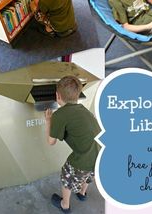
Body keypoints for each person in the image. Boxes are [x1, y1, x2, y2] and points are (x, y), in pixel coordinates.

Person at [45, 76, 101, 213]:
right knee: (89, 173)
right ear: (78, 95)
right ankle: (82, 194)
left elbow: (51, 142)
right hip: (100, 153)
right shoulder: (83, 109)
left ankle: (65, 205)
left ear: (57, 96)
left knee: (67, 176)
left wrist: (48, 121)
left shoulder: (59, 115)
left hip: (84, 158)